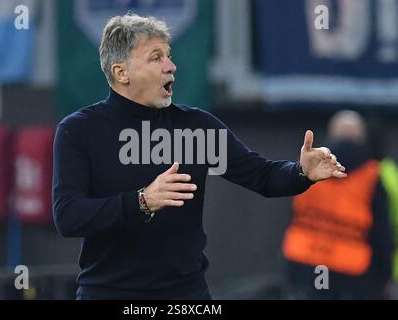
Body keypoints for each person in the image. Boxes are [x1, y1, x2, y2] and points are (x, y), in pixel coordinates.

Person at [52, 14, 346, 300]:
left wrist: (301, 172)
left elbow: (263, 176)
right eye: (156, 58)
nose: (171, 66)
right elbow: (68, 216)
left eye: (168, 55)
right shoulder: (78, 131)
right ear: (121, 73)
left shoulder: (196, 126)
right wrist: (142, 201)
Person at [282, 110, 394, 299]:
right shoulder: (372, 174)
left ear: (331, 134)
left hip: (308, 262)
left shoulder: (309, 167)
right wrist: (385, 274)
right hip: (352, 268)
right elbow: (381, 230)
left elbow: (294, 212)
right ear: (361, 137)